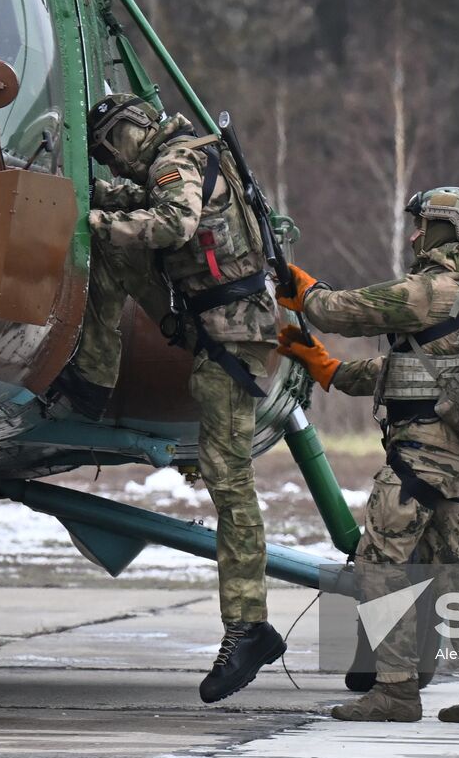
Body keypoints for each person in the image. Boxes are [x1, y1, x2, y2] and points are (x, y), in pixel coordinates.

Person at [52, 95, 285, 703]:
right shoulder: (187, 156)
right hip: (214, 321)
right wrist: (91, 200)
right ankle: (93, 384)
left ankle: (248, 627)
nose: (112, 161)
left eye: (109, 148)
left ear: (129, 132)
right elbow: (145, 205)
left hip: (231, 336)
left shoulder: (172, 166)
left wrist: (87, 223)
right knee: (111, 251)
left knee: (229, 482)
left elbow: (173, 224)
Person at [277, 187, 459, 724]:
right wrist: (333, 372)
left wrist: (304, 291)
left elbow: (340, 311)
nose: (414, 235)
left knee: (378, 564)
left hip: (421, 457)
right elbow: (420, 375)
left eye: (423, 225)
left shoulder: (430, 291)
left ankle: (394, 690)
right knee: (455, 570)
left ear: (446, 230)